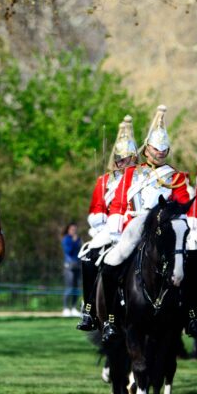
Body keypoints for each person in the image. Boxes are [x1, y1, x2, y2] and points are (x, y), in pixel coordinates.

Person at [100, 105, 190, 342]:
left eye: (163, 150)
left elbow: (182, 203)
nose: (159, 153)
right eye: (155, 149)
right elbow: (119, 202)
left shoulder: (176, 176)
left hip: (163, 228)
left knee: (189, 261)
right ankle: (109, 319)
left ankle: (192, 314)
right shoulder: (132, 174)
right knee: (111, 262)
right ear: (146, 149)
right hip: (134, 226)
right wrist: (116, 223)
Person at [76, 116, 138, 331]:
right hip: (108, 229)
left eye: (130, 159)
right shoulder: (105, 181)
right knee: (89, 256)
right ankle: (90, 310)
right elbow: (96, 208)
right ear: (116, 160)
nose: (126, 164)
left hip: (132, 227)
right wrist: (100, 221)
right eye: (122, 159)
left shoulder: (142, 178)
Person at [61, 222, 82, 316]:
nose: (74, 231)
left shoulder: (78, 239)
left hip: (77, 265)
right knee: (69, 287)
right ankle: (65, 308)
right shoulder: (66, 239)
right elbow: (68, 251)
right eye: (72, 229)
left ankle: (73, 308)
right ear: (68, 230)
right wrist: (74, 242)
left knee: (76, 287)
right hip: (69, 265)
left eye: (75, 229)